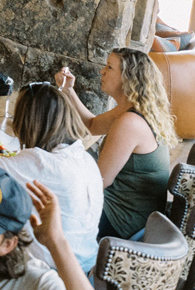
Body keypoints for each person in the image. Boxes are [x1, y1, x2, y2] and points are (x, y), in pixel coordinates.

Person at [0, 82, 103, 272]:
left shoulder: (40, 162)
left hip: (47, 271)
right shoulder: (86, 159)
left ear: (27, 122)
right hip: (86, 268)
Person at [58, 48, 176, 240]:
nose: (101, 71)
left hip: (122, 221)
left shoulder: (130, 122)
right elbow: (92, 125)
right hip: (125, 211)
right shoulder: (130, 109)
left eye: (109, 67)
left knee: (49, 195)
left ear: (127, 78)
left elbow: (100, 181)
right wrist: (68, 90)